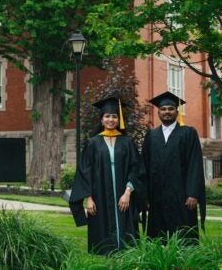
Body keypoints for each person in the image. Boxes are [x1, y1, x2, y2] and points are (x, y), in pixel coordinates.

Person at [69, 96, 145, 255]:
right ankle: (106, 258)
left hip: (123, 193)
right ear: (101, 120)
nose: (111, 119)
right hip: (99, 195)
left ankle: (126, 256)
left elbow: (136, 167)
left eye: (114, 116)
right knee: (102, 228)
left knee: (126, 231)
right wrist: (88, 198)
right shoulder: (93, 143)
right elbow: (84, 171)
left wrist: (128, 192)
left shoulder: (127, 142)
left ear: (119, 119)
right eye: (107, 116)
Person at [142, 91, 206, 242]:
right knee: (158, 235)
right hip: (157, 195)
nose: (166, 112)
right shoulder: (151, 135)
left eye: (170, 109)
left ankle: (186, 264)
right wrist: (144, 196)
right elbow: (144, 166)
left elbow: (194, 164)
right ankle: (158, 263)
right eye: (163, 109)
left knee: (183, 234)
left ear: (177, 111)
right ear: (158, 112)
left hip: (182, 195)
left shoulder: (188, 133)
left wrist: (193, 193)